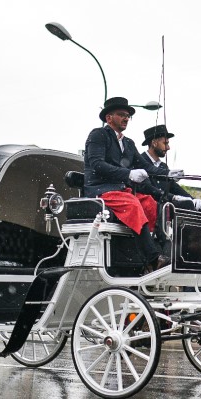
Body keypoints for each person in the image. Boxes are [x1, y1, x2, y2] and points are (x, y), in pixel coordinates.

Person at [83, 97, 165, 271]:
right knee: (133, 204)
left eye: (128, 115)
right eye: (122, 115)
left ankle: (145, 253)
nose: (126, 118)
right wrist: (128, 173)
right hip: (100, 190)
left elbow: (146, 166)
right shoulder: (98, 135)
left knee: (150, 204)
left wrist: (168, 174)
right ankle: (152, 258)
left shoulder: (128, 143)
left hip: (120, 191)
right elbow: (97, 164)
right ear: (109, 118)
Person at [138, 124, 201, 214]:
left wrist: (193, 199)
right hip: (151, 205)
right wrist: (174, 197)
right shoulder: (140, 161)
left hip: (166, 203)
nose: (168, 148)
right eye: (165, 143)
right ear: (154, 143)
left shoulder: (163, 166)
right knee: (187, 204)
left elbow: (174, 187)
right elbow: (147, 188)